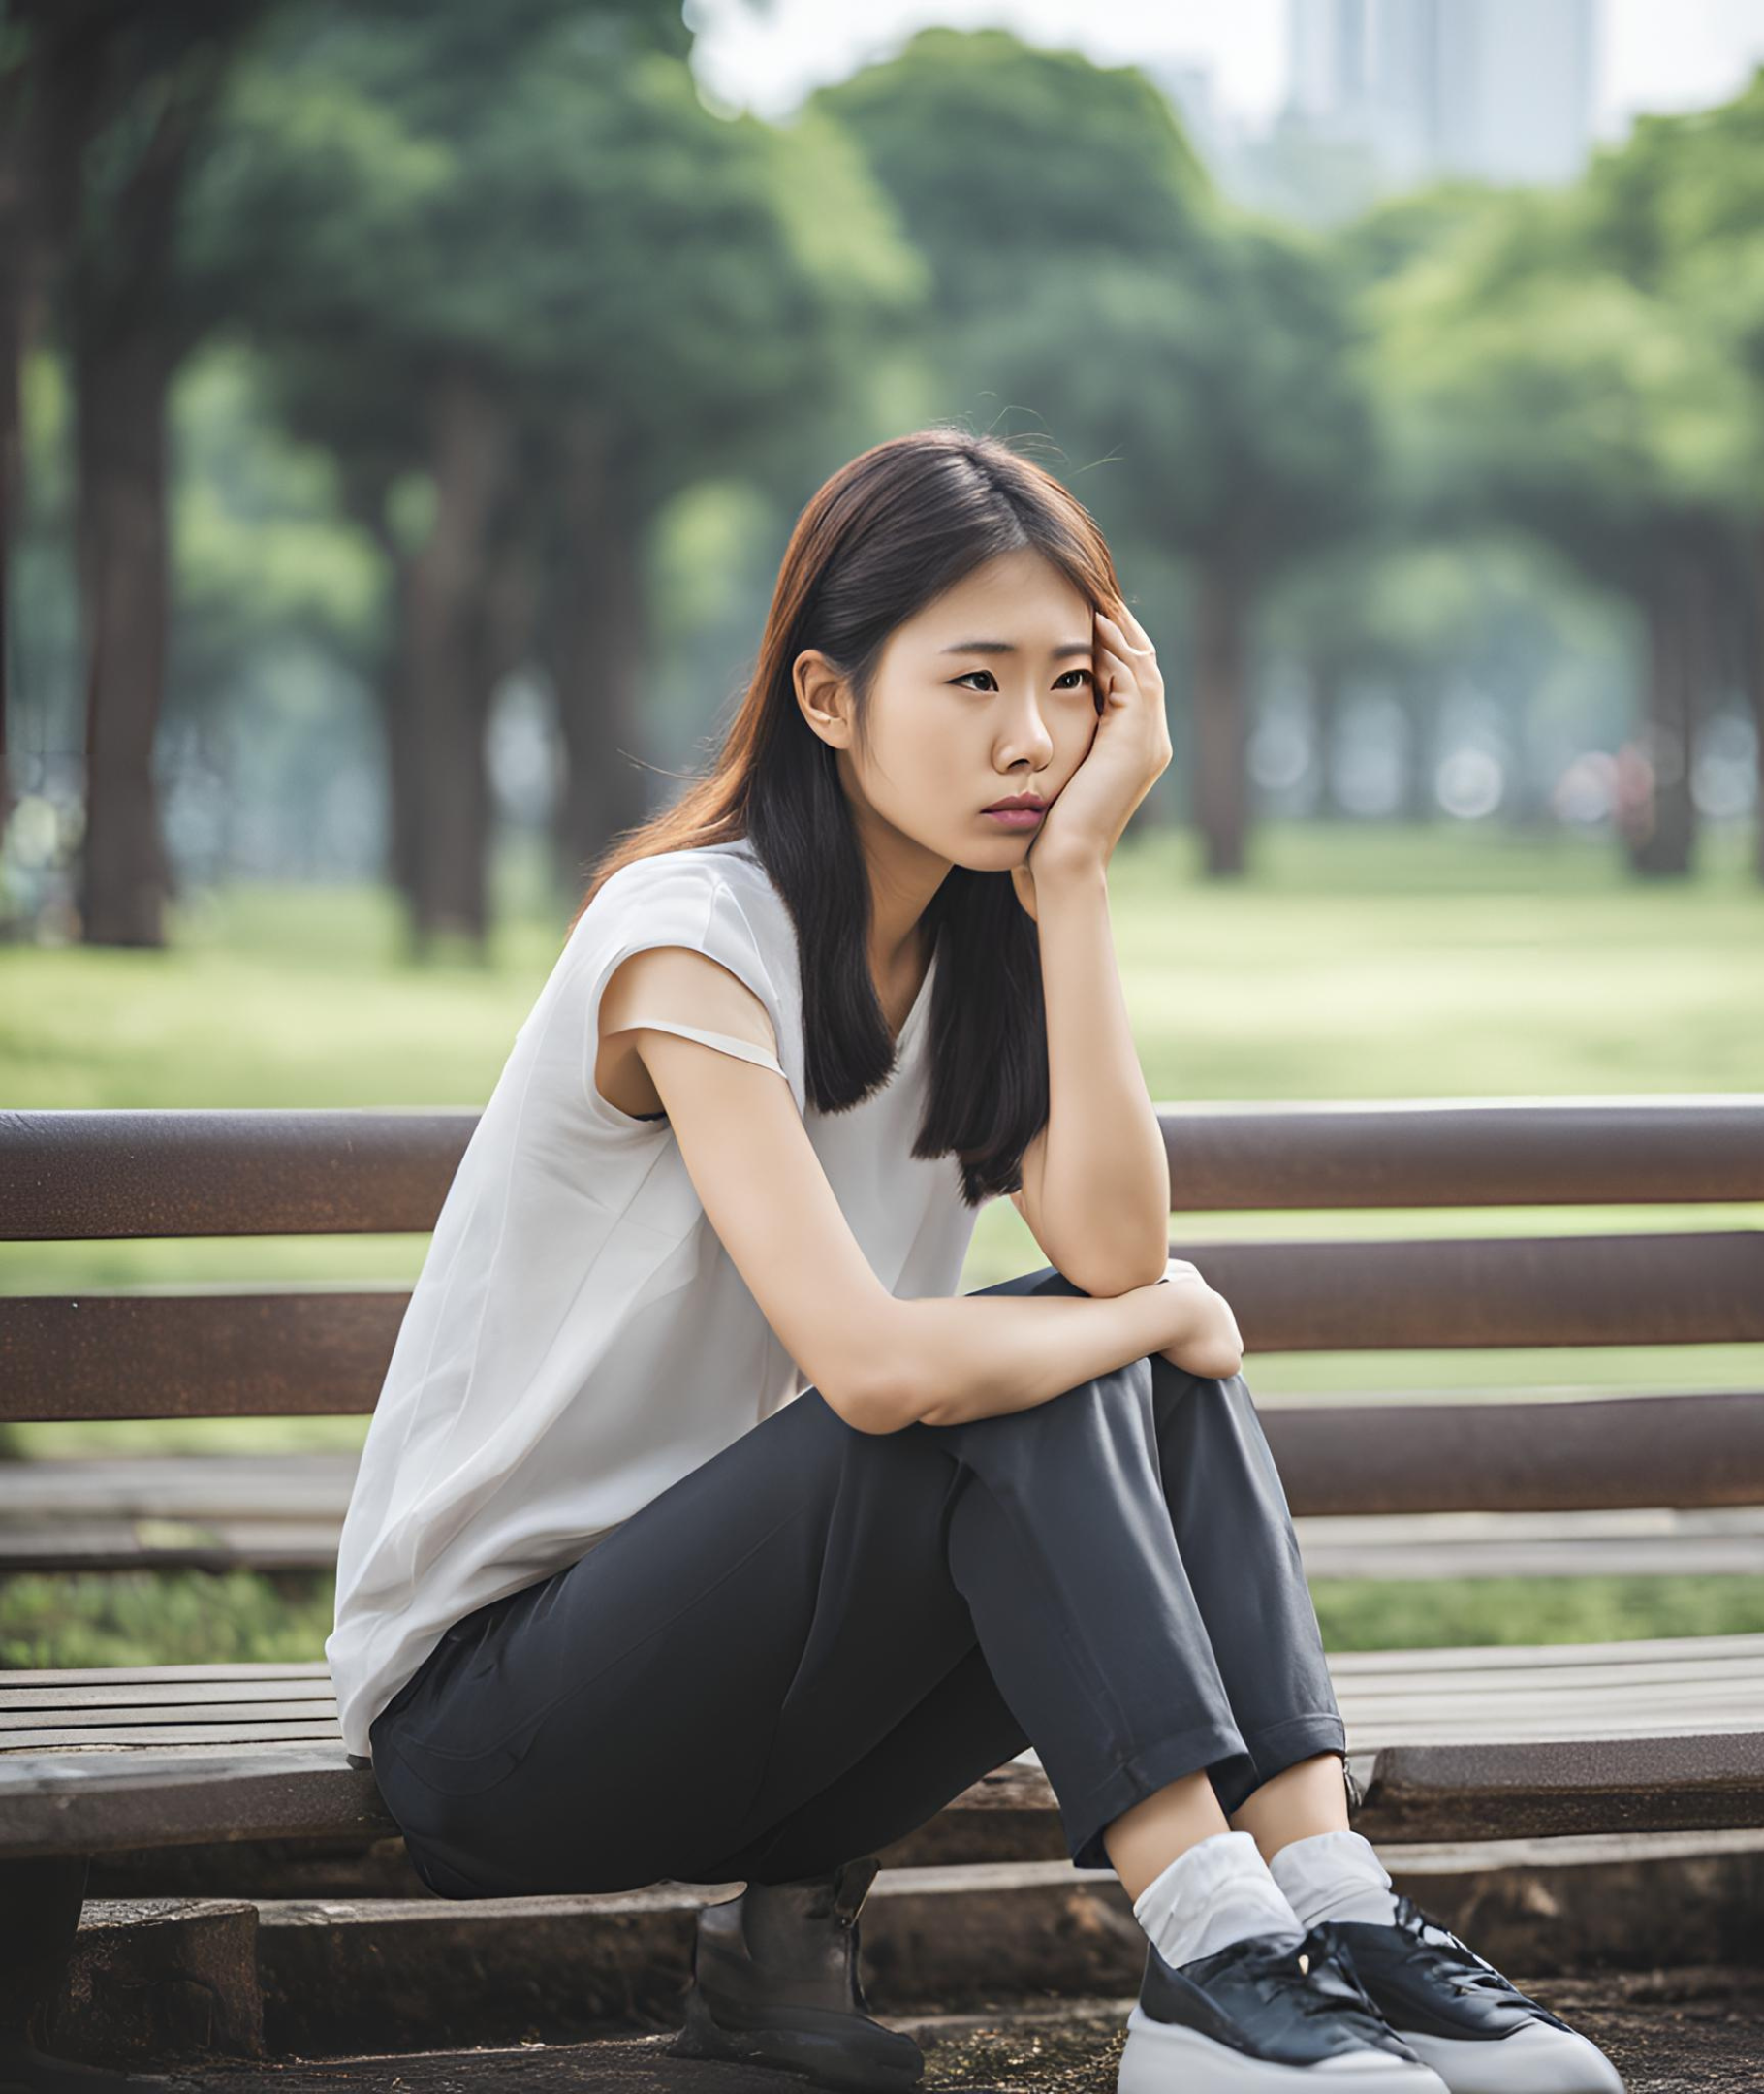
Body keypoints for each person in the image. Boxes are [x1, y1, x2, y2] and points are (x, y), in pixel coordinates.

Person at [326, 428, 1626, 2094]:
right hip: (501, 1719)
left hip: (772, 1717)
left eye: (1072, 682)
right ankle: (1212, 1959)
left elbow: (1113, 1249)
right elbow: (877, 1366)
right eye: (973, 681)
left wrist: (1074, 880)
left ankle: (1328, 1909)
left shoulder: (981, 933)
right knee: (1038, 1371)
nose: (1033, 737)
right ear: (826, 697)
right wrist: (1151, 1311)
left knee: (1105, 1350)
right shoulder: (688, 939)